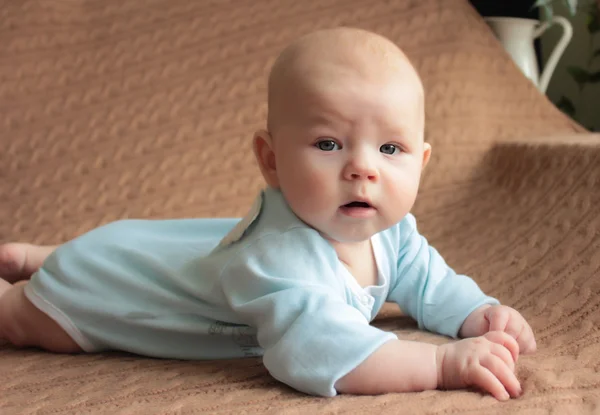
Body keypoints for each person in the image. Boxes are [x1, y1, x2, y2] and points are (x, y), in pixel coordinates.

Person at [0, 27, 536, 400]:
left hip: (162, 249)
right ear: (271, 159)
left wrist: (477, 313)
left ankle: (33, 254)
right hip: (110, 286)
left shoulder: (392, 231)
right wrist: (441, 364)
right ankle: (25, 286)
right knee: (34, 321)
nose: (362, 169)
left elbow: (429, 283)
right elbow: (322, 355)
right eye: (328, 144)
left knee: (154, 246)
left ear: (421, 162)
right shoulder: (282, 260)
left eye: (389, 150)